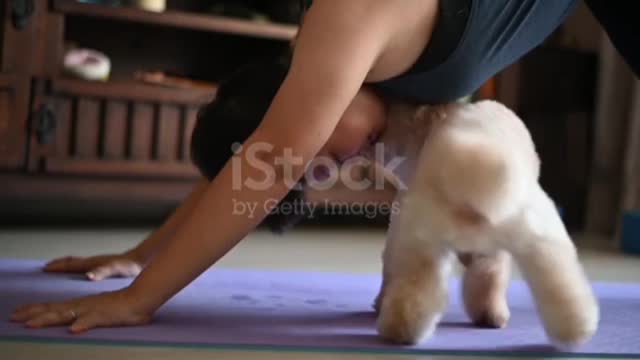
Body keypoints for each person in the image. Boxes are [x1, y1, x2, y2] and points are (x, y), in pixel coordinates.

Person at [11, 0, 638, 333]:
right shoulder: (329, 81)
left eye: (317, 155)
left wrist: (140, 299)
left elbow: (268, 154)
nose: (329, 167)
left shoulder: (341, 22)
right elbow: (248, 168)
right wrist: (141, 254)